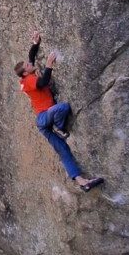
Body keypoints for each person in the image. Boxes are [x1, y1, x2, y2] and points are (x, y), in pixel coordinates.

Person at [14, 31, 105, 192]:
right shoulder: (28, 81)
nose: (30, 64)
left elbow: (31, 57)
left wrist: (35, 44)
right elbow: (43, 82)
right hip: (44, 118)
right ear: (26, 72)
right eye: (28, 66)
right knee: (62, 107)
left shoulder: (27, 75)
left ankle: (82, 182)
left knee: (63, 150)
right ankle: (60, 128)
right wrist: (49, 64)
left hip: (44, 122)